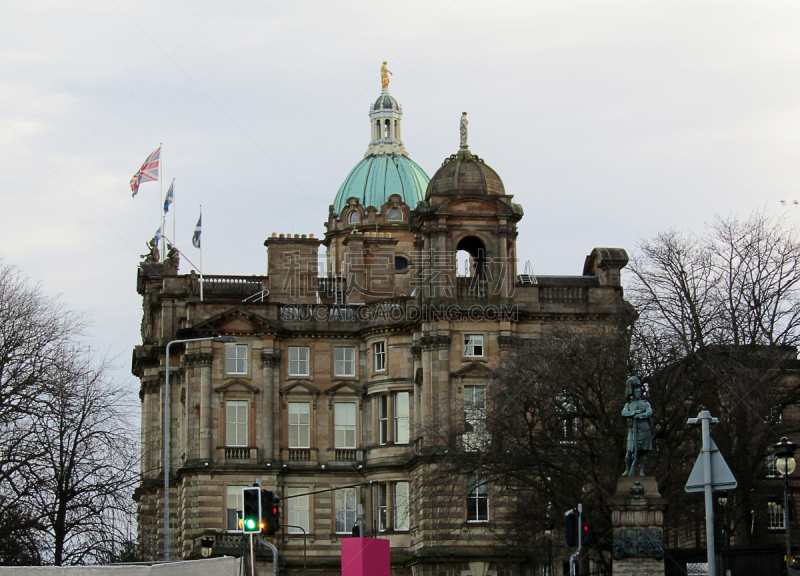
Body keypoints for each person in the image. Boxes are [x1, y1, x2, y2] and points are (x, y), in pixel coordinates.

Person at [622, 376, 654, 477]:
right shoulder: (628, 405)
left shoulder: (646, 404)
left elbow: (649, 413)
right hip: (633, 430)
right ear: (634, 393)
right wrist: (635, 413)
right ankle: (627, 470)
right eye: (637, 392)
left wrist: (639, 416)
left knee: (644, 453)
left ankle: (642, 472)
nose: (639, 393)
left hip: (644, 430)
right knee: (629, 452)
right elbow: (624, 413)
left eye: (640, 392)